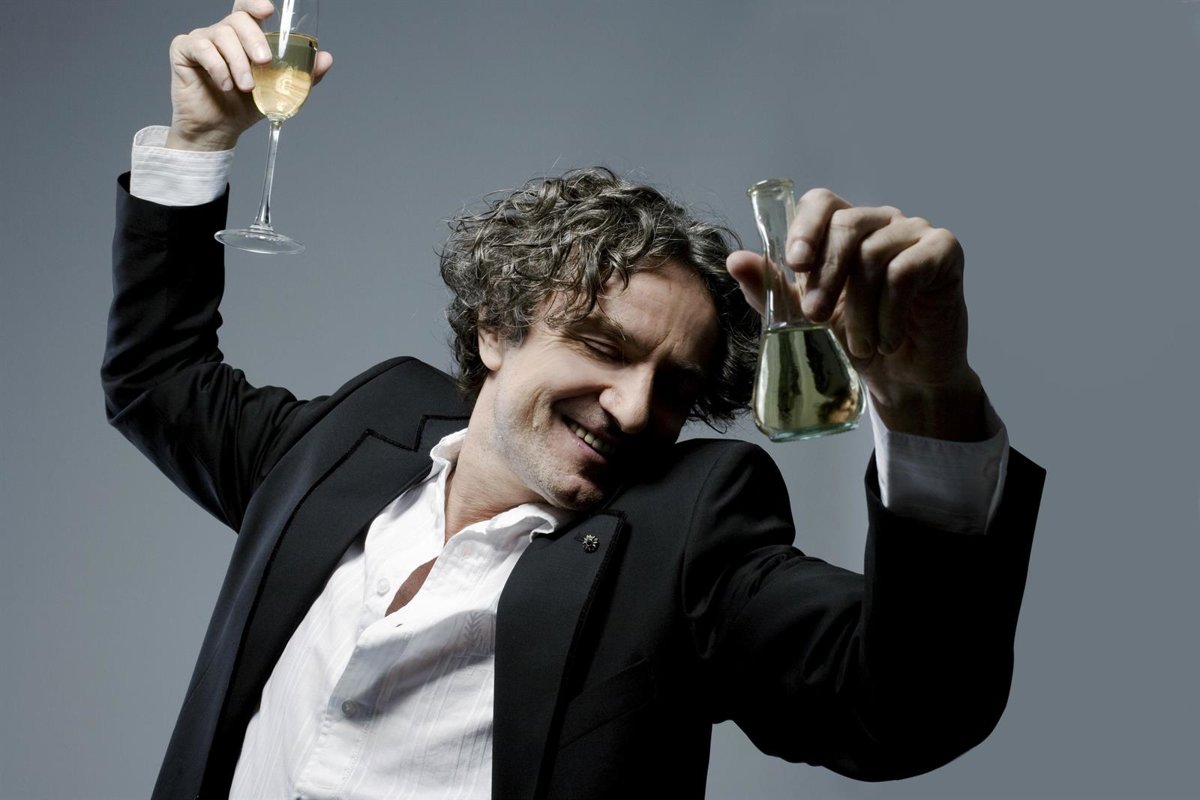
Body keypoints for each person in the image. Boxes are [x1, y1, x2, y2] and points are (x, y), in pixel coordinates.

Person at [102, 2, 1045, 798]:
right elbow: (159, 379)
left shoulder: (687, 539)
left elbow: (902, 708)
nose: (633, 408)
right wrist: (198, 145)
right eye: (603, 347)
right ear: (495, 327)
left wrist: (927, 403)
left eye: (675, 387)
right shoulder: (356, 435)